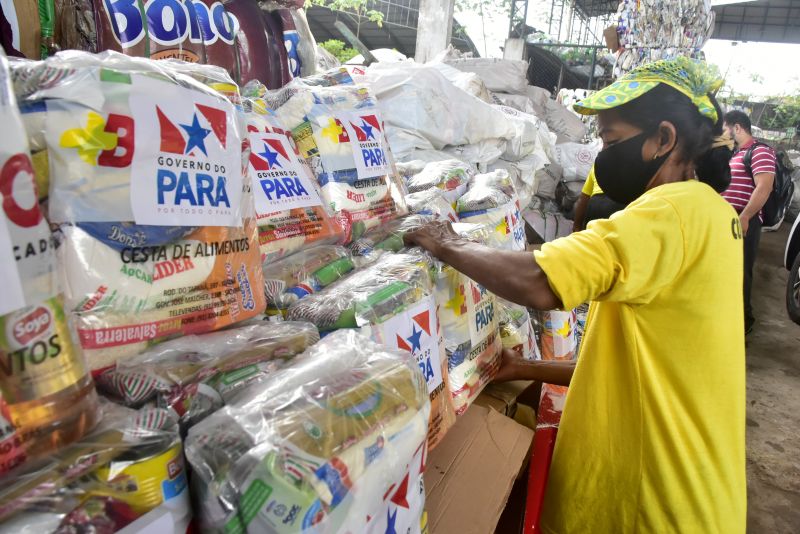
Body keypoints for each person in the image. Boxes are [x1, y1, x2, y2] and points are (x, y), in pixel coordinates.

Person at [405, 57, 745, 533]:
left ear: (663, 139)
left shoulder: (669, 210)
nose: (601, 155)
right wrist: (522, 367)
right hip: (693, 489)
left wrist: (445, 241)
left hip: (645, 503)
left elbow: (540, 283)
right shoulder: (714, 213)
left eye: (609, 140)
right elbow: (644, 366)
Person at [721, 110, 777, 334]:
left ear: (737, 128)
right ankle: (730, 320)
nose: (723, 134)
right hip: (730, 219)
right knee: (727, 271)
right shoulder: (736, 154)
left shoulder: (760, 151)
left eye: (725, 129)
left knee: (740, 272)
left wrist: (745, 216)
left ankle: (743, 323)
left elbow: (764, 187)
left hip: (744, 221)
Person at [572, 165, 627, 231]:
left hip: (596, 203)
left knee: (592, 237)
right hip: (619, 204)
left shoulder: (598, 164)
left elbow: (584, 198)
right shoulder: (635, 164)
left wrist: (577, 226)